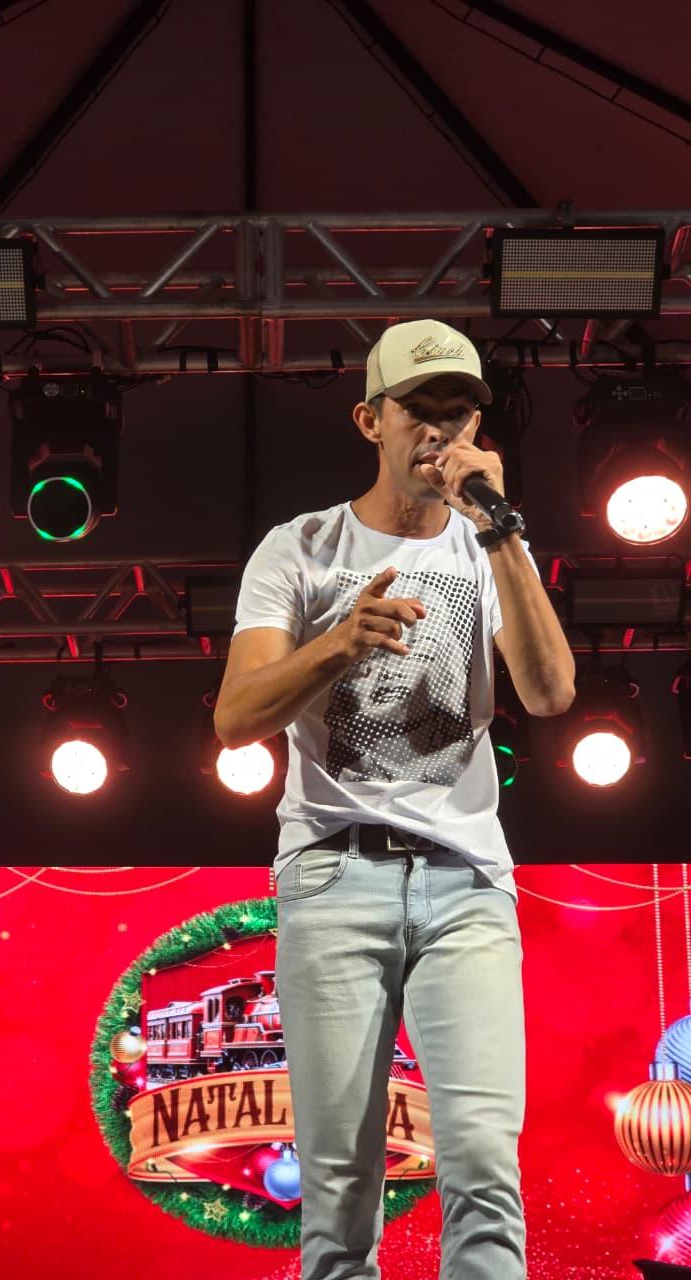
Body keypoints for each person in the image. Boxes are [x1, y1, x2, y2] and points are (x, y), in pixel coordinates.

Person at [214, 319, 576, 1280]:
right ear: (370, 420)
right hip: (334, 878)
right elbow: (235, 718)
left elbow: (549, 693)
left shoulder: (488, 546)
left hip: (468, 886)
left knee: (484, 1168)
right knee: (338, 1188)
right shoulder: (300, 549)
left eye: (459, 414)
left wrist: (501, 529)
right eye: (420, 410)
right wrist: (337, 642)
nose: (441, 431)